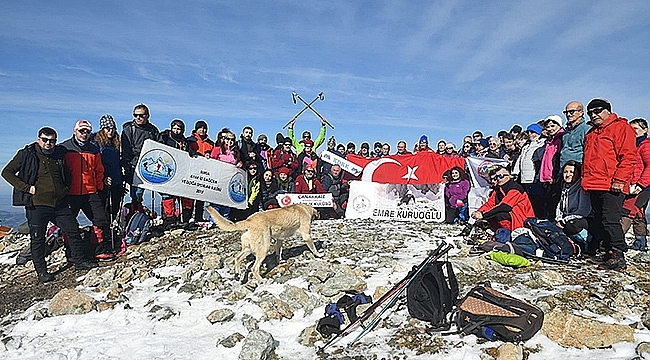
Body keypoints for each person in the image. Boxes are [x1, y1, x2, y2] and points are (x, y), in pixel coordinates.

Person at [2, 127, 97, 282]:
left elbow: (68, 170)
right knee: (38, 238)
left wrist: (66, 188)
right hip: (37, 204)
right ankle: (42, 272)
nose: (48, 143)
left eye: (52, 141)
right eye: (45, 140)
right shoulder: (27, 153)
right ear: (38, 139)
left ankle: (80, 262)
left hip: (59, 203)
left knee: (73, 230)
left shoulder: (59, 153)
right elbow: (7, 172)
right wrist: (26, 188)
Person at [582, 98, 636, 270]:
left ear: (608, 110)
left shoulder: (621, 127)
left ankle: (618, 255)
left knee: (610, 220)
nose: (594, 114)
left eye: (598, 110)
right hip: (594, 183)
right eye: (590, 112)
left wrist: (620, 180)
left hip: (612, 184)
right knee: (598, 220)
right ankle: (607, 254)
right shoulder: (591, 133)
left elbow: (628, 157)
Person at [61, 120, 113, 259]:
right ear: (75, 131)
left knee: (100, 219)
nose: (84, 134)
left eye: (87, 131)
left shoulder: (93, 149)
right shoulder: (64, 148)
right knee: (69, 223)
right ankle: (71, 252)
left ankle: (98, 249)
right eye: (81, 131)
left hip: (90, 192)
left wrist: (99, 188)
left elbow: (99, 170)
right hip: (70, 193)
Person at [471, 165, 535, 231]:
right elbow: (490, 204)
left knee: (499, 215)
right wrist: (479, 212)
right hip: (512, 218)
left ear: (509, 176)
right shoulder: (498, 190)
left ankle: (506, 235)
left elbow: (505, 206)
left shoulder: (515, 188)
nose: (498, 179)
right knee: (489, 217)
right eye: (495, 177)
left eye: (501, 176)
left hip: (522, 220)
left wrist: (483, 215)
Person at [159, 119, 195, 228]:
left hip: (182, 172)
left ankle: (186, 218)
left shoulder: (185, 142)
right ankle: (169, 219)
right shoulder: (165, 139)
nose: (176, 131)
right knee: (168, 195)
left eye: (179, 129)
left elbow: (191, 154)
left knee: (186, 195)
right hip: (168, 172)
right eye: (174, 128)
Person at [121, 103, 160, 203]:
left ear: (147, 116)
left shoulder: (153, 130)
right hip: (133, 164)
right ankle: (135, 212)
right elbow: (125, 149)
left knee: (139, 192)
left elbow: (159, 147)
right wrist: (126, 165)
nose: (138, 118)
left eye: (141, 115)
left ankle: (137, 211)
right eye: (135, 115)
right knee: (135, 193)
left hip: (148, 165)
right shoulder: (128, 129)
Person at [621, 118, 650, 251]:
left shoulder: (645, 145)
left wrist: (640, 184)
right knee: (638, 212)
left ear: (645, 130)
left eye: (636, 129)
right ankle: (640, 242)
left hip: (642, 186)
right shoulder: (634, 145)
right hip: (633, 184)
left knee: (628, 211)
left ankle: (616, 243)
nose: (633, 132)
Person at [555, 161, 592, 252]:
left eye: (572, 172)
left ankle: (589, 242)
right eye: (565, 172)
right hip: (567, 219)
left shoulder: (582, 188)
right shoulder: (565, 187)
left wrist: (564, 221)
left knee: (571, 226)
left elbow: (583, 211)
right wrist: (558, 219)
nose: (568, 175)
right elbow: (559, 207)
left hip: (582, 219)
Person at [512, 124, 546, 218]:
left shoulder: (542, 143)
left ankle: (539, 219)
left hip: (533, 177)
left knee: (536, 201)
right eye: (529, 132)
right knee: (527, 201)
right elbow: (520, 160)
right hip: (524, 178)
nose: (530, 134)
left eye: (532, 132)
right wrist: (515, 172)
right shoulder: (526, 145)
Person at [94, 114, 122, 222]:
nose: (110, 131)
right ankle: (103, 230)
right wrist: (103, 177)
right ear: (102, 129)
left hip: (116, 179)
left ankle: (109, 227)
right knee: (103, 207)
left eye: (112, 128)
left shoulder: (116, 143)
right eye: (107, 129)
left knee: (115, 206)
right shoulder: (96, 143)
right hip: (103, 181)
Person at [536, 115, 565, 220]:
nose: (550, 129)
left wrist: (556, 174)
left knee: (554, 202)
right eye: (548, 127)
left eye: (553, 126)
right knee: (548, 203)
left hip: (555, 176)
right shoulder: (549, 140)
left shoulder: (561, 138)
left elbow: (557, 158)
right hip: (547, 177)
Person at [210, 128, 243, 219]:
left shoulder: (236, 152)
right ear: (224, 139)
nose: (230, 141)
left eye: (232, 140)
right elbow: (211, 162)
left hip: (230, 179)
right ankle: (214, 220)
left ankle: (225, 218)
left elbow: (239, 161)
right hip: (218, 178)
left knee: (227, 200)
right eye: (228, 139)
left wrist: (240, 163)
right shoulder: (217, 149)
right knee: (216, 200)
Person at [186, 120, 214, 222]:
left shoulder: (210, 143)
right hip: (192, 170)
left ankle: (199, 217)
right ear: (196, 129)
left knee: (201, 194)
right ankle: (187, 218)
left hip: (204, 171)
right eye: (200, 128)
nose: (202, 130)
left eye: (204, 128)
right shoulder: (190, 140)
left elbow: (213, 154)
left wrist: (208, 155)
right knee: (189, 195)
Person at [560, 101, 590, 168]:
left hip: (578, 170)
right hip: (563, 170)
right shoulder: (566, 133)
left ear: (581, 112)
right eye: (566, 112)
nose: (568, 115)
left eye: (572, 112)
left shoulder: (587, 130)